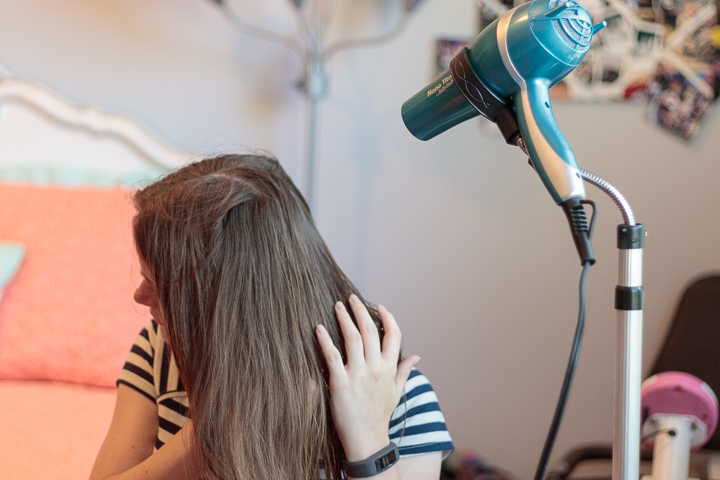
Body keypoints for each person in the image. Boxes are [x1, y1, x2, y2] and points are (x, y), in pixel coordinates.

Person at [89, 154, 453, 480]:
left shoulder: (398, 399)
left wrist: (368, 443)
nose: (140, 297)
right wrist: (220, 427)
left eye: (160, 286)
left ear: (228, 308)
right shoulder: (159, 348)